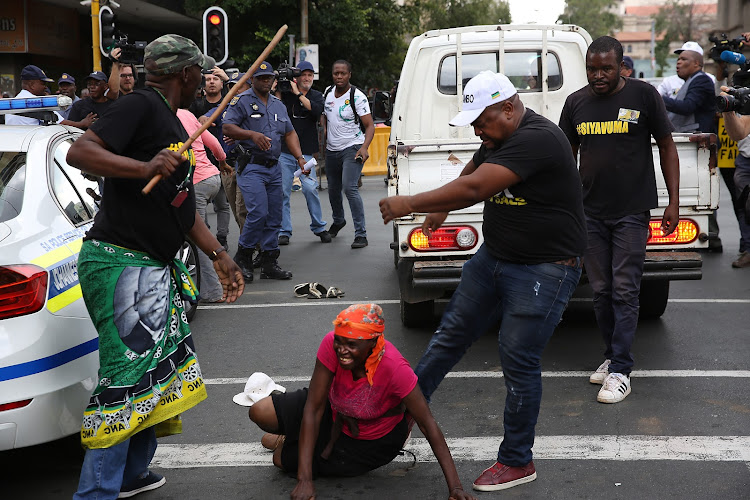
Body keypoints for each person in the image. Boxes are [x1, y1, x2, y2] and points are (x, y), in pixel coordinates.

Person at [380, 71, 586, 491]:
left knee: (517, 358)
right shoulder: (499, 136)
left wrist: (411, 202)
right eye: (472, 122)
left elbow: (475, 187)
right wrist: (440, 211)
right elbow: (473, 169)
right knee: (448, 336)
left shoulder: (539, 139)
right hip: (495, 258)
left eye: (481, 120)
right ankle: (399, 419)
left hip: (546, 268)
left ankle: (517, 461)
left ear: (508, 108)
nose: (477, 129)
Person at [65, 34, 244, 500]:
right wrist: (143, 168)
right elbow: (80, 152)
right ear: (184, 74)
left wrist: (220, 255)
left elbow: (180, 207)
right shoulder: (140, 105)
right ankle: (96, 491)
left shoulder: (173, 121)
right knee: (126, 378)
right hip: (120, 263)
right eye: (197, 71)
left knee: (153, 371)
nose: (202, 78)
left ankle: (130, 474)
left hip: (151, 265)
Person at [246, 303, 476, 500]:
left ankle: (292, 440)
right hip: (334, 409)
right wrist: (304, 479)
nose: (341, 350)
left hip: (368, 440)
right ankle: (295, 438)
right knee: (260, 411)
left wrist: (455, 487)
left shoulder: (395, 368)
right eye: (339, 341)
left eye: (351, 345)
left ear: (373, 343)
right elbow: (314, 407)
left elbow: (428, 425)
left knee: (280, 459)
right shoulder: (331, 344)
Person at [558, 36, 679, 404]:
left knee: (625, 290)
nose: (598, 75)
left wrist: (673, 202)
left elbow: (667, 145)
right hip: (590, 214)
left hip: (631, 211)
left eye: (606, 68)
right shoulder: (575, 102)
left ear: (621, 65)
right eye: (592, 68)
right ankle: (612, 356)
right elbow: (565, 157)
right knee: (601, 291)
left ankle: (621, 370)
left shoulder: (644, 96)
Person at [223, 62, 307, 281]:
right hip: (252, 166)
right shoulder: (241, 101)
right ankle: (243, 257)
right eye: (261, 78)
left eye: (268, 77)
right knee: (257, 213)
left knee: (274, 216)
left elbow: (289, 133)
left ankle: (270, 262)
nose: (265, 81)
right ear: (252, 79)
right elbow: (227, 127)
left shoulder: (278, 104)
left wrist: (299, 158)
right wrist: (251, 135)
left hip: (274, 167)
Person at [177, 108, 232, 301]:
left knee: (198, 238)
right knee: (204, 229)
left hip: (196, 181)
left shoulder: (163, 115)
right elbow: (214, 144)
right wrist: (222, 162)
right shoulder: (188, 114)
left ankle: (213, 291)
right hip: (212, 178)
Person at [321, 60, 375, 249]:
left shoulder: (357, 96)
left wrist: (364, 147)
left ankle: (361, 234)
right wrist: (325, 133)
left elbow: (369, 125)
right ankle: (338, 220)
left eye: (343, 73)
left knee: (349, 188)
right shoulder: (327, 93)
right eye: (336, 73)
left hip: (352, 147)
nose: (339, 76)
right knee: (333, 189)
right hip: (332, 150)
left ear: (349, 74)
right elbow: (325, 115)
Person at [276, 60, 331, 245]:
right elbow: (274, 106)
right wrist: (278, 86)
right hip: (284, 151)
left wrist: (298, 93)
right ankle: (284, 230)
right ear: (296, 77)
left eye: (310, 75)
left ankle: (319, 226)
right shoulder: (285, 94)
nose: (307, 78)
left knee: (310, 189)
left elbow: (316, 111)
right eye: (303, 75)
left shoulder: (316, 95)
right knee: (283, 192)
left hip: (306, 152)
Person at [204, 72, 249, 233]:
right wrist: (202, 120)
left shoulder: (255, 108)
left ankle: (251, 248)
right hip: (227, 165)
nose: (235, 90)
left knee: (243, 209)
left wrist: (239, 137)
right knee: (236, 211)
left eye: (239, 86)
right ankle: (250, 244)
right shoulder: (224, 108)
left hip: (247, 164)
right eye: (231, 86)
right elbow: (206, 118)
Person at [662, 41, 716, 134]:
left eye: (683, 59)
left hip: (699, 140)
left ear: (696, 63)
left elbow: (687, 107)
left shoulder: (702, 80)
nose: (678, 62)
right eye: (678, 59)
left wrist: (658, 98)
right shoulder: (691, 80)